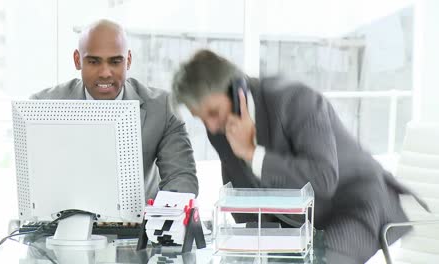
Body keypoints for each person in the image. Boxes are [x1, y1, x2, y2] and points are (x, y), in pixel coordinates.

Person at [172, 49, 421, 263]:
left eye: (213, 112)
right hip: (298, 226)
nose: (212, 126)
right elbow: (244, 201)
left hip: (355, 205)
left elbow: (323, 179)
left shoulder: (295, 99)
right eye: (202, 119)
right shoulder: (219, 131)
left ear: (236, 89)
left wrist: (252, 153)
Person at [30, 19, 198, 200]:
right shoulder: (44, 106)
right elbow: (38, 181)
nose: (105, 73)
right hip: (67, 221)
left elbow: (181, 179)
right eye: (94, 62)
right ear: (78, 60)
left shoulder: (162, 108)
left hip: (140, 224)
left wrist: (160, 217)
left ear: (128, 61)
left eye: (115, 62)